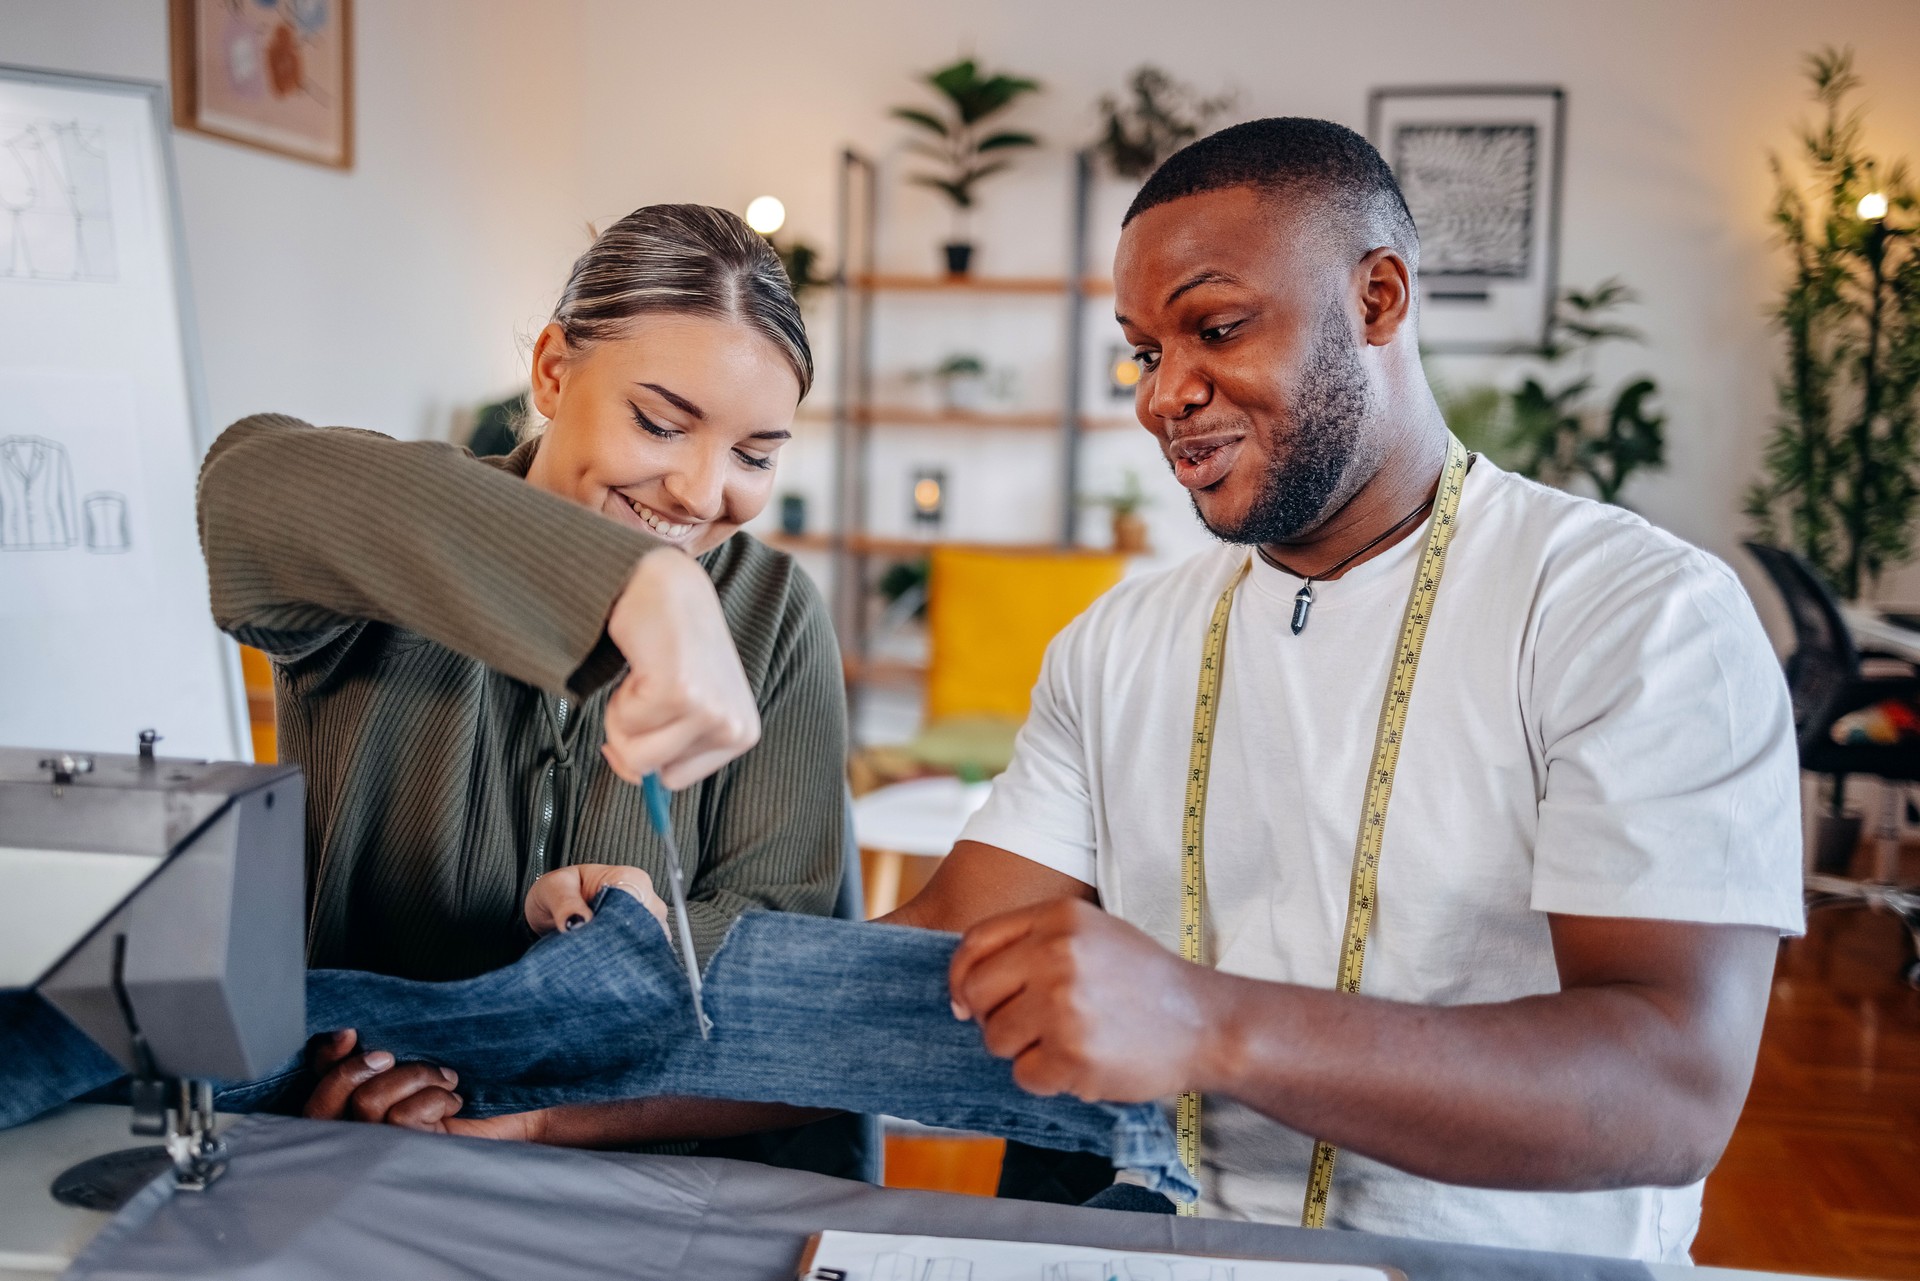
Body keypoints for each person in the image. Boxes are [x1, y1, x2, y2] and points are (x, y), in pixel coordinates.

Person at [883, 118, 1802, 1262]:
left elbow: (1670, 1090)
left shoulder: (1638, 615)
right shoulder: (1115, 644)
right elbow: (935, 956)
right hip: (1165, 1248)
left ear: (1376, 301)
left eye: (1214, 328)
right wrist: (637, 1007)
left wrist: (1206, 1023)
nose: (1163, 396)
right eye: (1142, 352)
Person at [197, 203, 847, 1146]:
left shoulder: (775, 611)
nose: (705, 495)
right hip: (354, 1138)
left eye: (754, 455)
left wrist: (634, 929)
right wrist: (634, 580)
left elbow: (780, 946)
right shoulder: (392, 550)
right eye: (662, 424)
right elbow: (246, 485)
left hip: (638, 1162)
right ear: (552, 369)